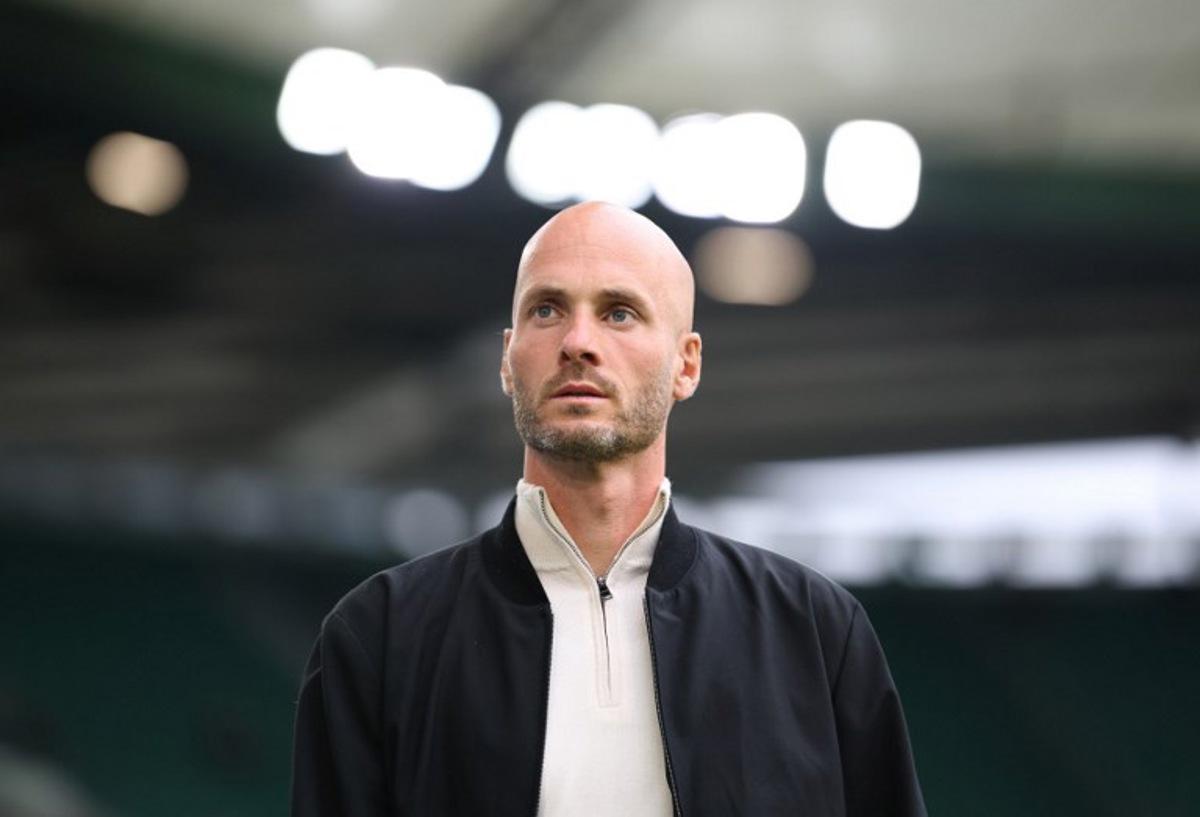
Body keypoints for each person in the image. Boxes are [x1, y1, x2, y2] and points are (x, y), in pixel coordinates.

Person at [290, 202, 927, 817]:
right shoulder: (378, 636)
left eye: (619, 313)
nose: (577, 342)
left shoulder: (815, 632)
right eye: (547, 310)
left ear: (686, 364)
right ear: (507, 358)